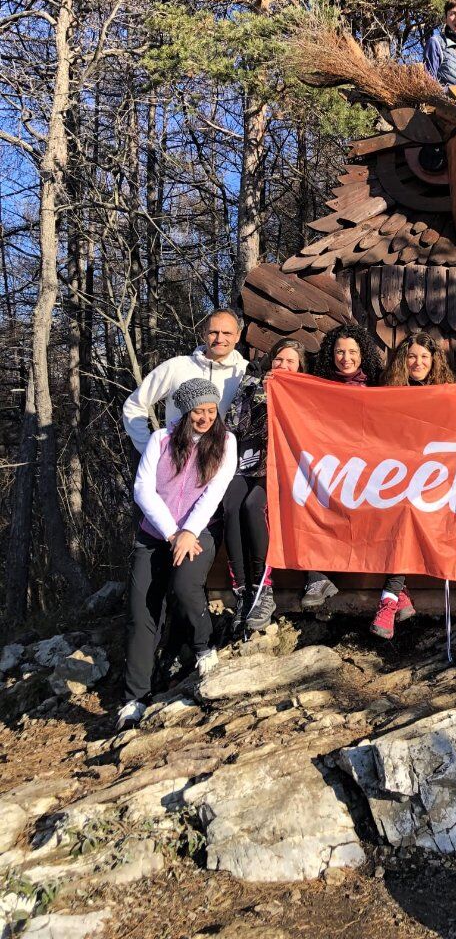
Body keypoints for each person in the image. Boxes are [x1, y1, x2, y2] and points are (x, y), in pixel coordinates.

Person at [117, 379, 238, 731]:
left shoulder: (225, 442)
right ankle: (134, 698)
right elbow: (143, 489)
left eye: (211, 411)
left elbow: (215, 490)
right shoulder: (161, 440)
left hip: (199, 532)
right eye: (198, 411)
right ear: (184, 412)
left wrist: (189, 532)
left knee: (185, 588)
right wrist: (172, 532)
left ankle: (203, 644)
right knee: (141, 613)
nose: (204, 418)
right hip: (156, 535)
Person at [367, 332, 456, 637]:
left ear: (434, 362)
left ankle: (388, 601)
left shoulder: (446, 391)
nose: (418, 363)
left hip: (433, 478)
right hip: (393, 475)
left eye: (424, 357)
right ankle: (399, 594)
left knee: (407, 512)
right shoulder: (389, 392)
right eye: (412, 356)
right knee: (393, 512)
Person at [222, 338, 306, 636]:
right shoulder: (252, 385)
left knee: (253, 506)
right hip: (248, 461)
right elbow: (234, 425)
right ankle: (242, 589)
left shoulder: (305, 391)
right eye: (279, 360)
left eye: (290, 362)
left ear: (299, 368)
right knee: (231, 505)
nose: (283, 366)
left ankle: (263, 587)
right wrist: (261, 393)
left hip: (279, 467)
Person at [299, 323, 385, 609]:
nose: (345, 358)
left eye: (352, 352)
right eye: (339, 352)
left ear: (362, 354)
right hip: (331, 465)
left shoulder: (378, 386)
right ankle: (318, 575)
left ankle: (396, 588)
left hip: (370, 465)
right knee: (312, 501)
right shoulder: (318, 386)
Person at [122, 307, 248, 454]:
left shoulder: (246, 373)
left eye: (227, 333)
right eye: (214, 332)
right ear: (204, 334)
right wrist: (149, 450)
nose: (220, 339)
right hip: (177, 463)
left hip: (226, 469)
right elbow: (134, 405)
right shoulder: (177, 366)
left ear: (238, 335)